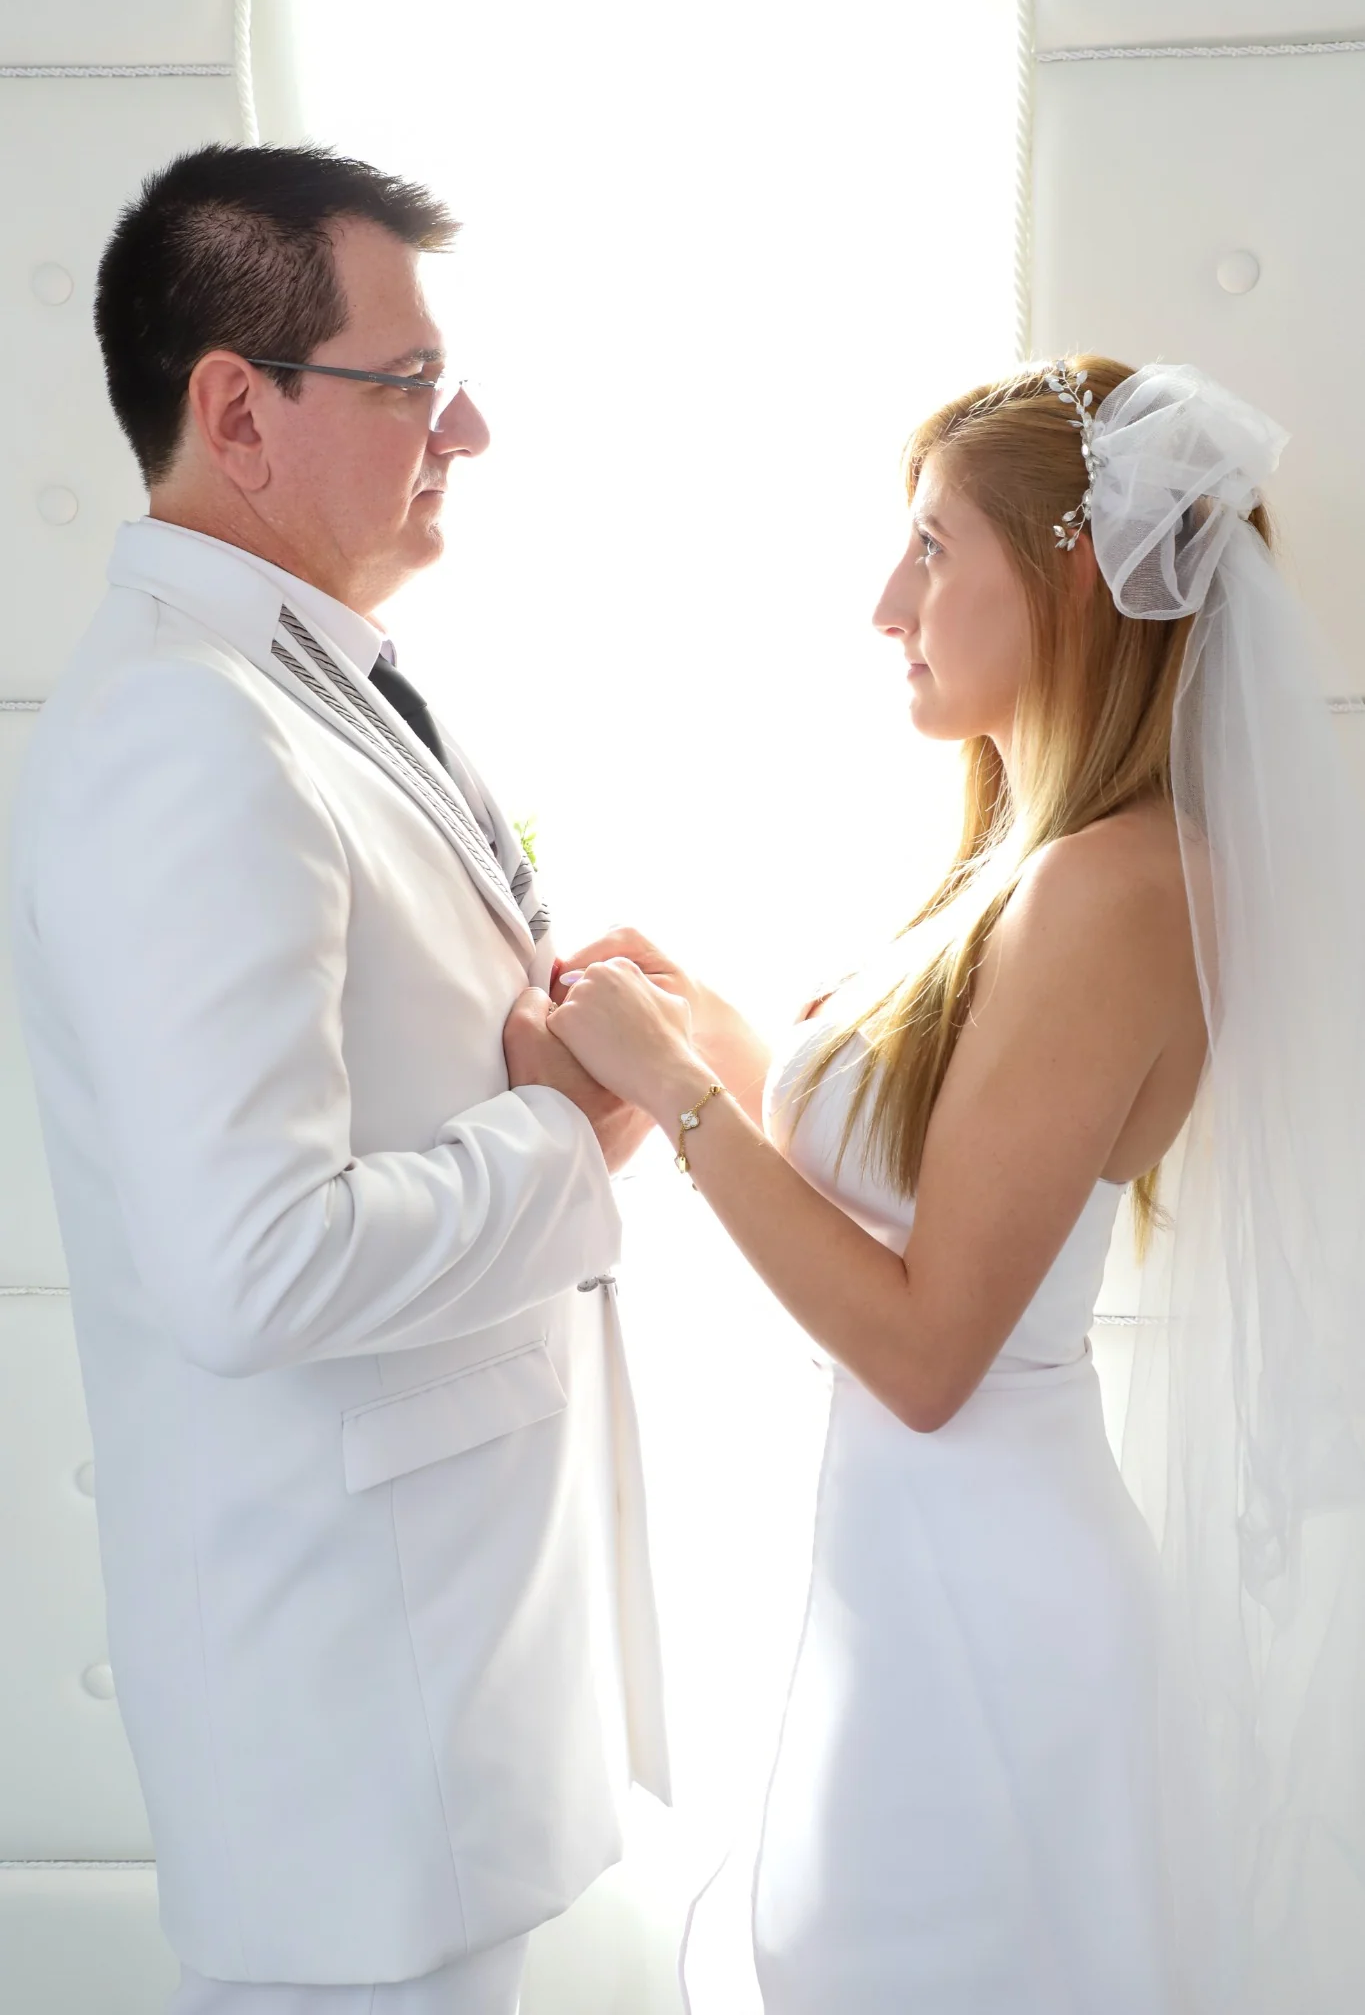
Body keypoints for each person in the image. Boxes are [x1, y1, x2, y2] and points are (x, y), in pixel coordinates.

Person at [526, 358, 1365, 2012]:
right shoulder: (1032, 867)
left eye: (930, 547)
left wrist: (679, 1093)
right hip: (921, 1600)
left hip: (997, 1618)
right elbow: (932, 1181)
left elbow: (925, 1354)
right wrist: (709, 1032)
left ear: (1067, 572)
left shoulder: (1117, 890)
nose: (884, 601)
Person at [9, 142, 669, 2015]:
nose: (466, 422)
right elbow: (256, 1263)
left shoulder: (307, 677)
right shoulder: (183, 740)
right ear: (239, 410)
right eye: (406, 380)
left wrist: (544, 1016)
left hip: (433, 1694)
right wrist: (578, 1126)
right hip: (352, 1738)